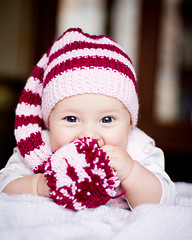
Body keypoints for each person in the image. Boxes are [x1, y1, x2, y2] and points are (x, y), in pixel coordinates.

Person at [0, 28, 177, 210]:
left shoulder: (138, 149)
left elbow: (166, 200)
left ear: (130, 123)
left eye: (107, 120)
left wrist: (131, 172)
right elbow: (4, 187)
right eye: (71, 118)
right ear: (49, 122)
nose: (88, 135)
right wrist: (38, 185)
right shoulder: (38, 149)